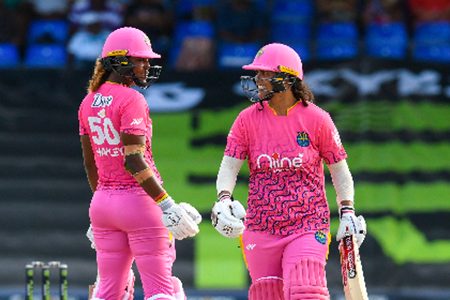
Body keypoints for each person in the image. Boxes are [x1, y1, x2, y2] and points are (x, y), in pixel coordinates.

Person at [211, 43, 367, 300]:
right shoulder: (246, 119)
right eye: (257, 73)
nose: (258, 79)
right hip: (261, 226)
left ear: (287, 77)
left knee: (307, 291)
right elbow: (229, 165)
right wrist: (223, 198)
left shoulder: (317, 119)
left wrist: (347, 210)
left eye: (264, 73)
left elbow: (339, 171)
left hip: (308, 224)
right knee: (267, 295)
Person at [78, 26, 201, 300]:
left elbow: (90, 164)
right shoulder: (132, 98)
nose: (147, 65)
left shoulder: (88, 102)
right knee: (161, 291)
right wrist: (166, 204)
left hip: (102, 206)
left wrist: (102, 205)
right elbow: (133, 159)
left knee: (107, 292)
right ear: (120, 61)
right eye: (141, 59)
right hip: (139, 204)